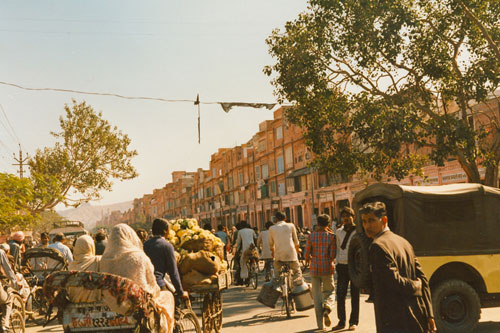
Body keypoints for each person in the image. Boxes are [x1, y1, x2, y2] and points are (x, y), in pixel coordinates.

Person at [360, 202, 436, 333]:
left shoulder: (378, 246)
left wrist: (416, 285)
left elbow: (394, 282)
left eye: (371, 220)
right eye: (364, 221)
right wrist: (430, 315)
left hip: (394, 320)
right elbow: (423, 279)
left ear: (384, 220)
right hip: (415, 316)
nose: (367, 226)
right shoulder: (404, 242)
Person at [100, 223, 175, 333]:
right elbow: (152, 284)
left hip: (113, 302)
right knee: (168, 296)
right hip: (137, 303)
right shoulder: (139, 256)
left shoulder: (105, 259)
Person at [305, 214, 336, 331]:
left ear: (317, 223)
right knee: (330, 291)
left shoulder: (311, 236)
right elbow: (333, 255)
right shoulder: (331, 237)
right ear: (328, 224)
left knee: (317, 297)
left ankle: (320, 325)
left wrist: (310, 257)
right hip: (327, 268)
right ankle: (327, 308)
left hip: (314, 269)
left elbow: (306, 254)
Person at [144, 218, 187, 302]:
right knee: (175, 302)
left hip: (145, 283)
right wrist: (180, 292)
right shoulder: (167, 246)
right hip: (157, 283)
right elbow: (173, 272)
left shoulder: (145, 244)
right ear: (166, 231)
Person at [334, 207, 360, 331]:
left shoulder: (358, 231)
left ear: (353, 217)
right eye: (343, 216)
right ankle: (341, 321)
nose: (345, 218)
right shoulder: (338, 232)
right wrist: (337, 262)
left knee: (355, 295)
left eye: (348, 216)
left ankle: (353, 322)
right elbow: (338, 248)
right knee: (340, 294)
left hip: (354, 266)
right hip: (342, 266)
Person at [268, 211, 302, 284]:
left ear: (275, 219)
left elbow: (271, 244)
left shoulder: (271, 228)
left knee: (277, 274)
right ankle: (299, 287)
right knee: (297, 272)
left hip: (279, 255)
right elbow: (296, 241)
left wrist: (273, 252)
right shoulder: (291, 225)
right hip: (291, 254)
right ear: (285, 218)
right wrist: (297, 250)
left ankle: (277, 286)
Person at [68, 235, 102, 303]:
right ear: (91, 247)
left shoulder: (71, 266)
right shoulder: (98, 260)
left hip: (75, 302)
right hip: (95, 302)